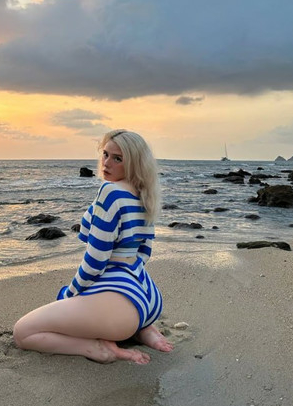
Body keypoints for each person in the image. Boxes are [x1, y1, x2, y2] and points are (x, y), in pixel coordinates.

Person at [13, 129, 173, 364]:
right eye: (105, 154)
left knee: (23, 332)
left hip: (122, 303)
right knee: (84, 306)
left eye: (117, 159)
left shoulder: (111, 192)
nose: (107, 163)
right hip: (148, 297)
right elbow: (144, 251)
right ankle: (143, 329)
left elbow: (96, 260)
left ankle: (98, 349)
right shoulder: (143, 194)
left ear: (133, 163)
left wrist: (71, 293)